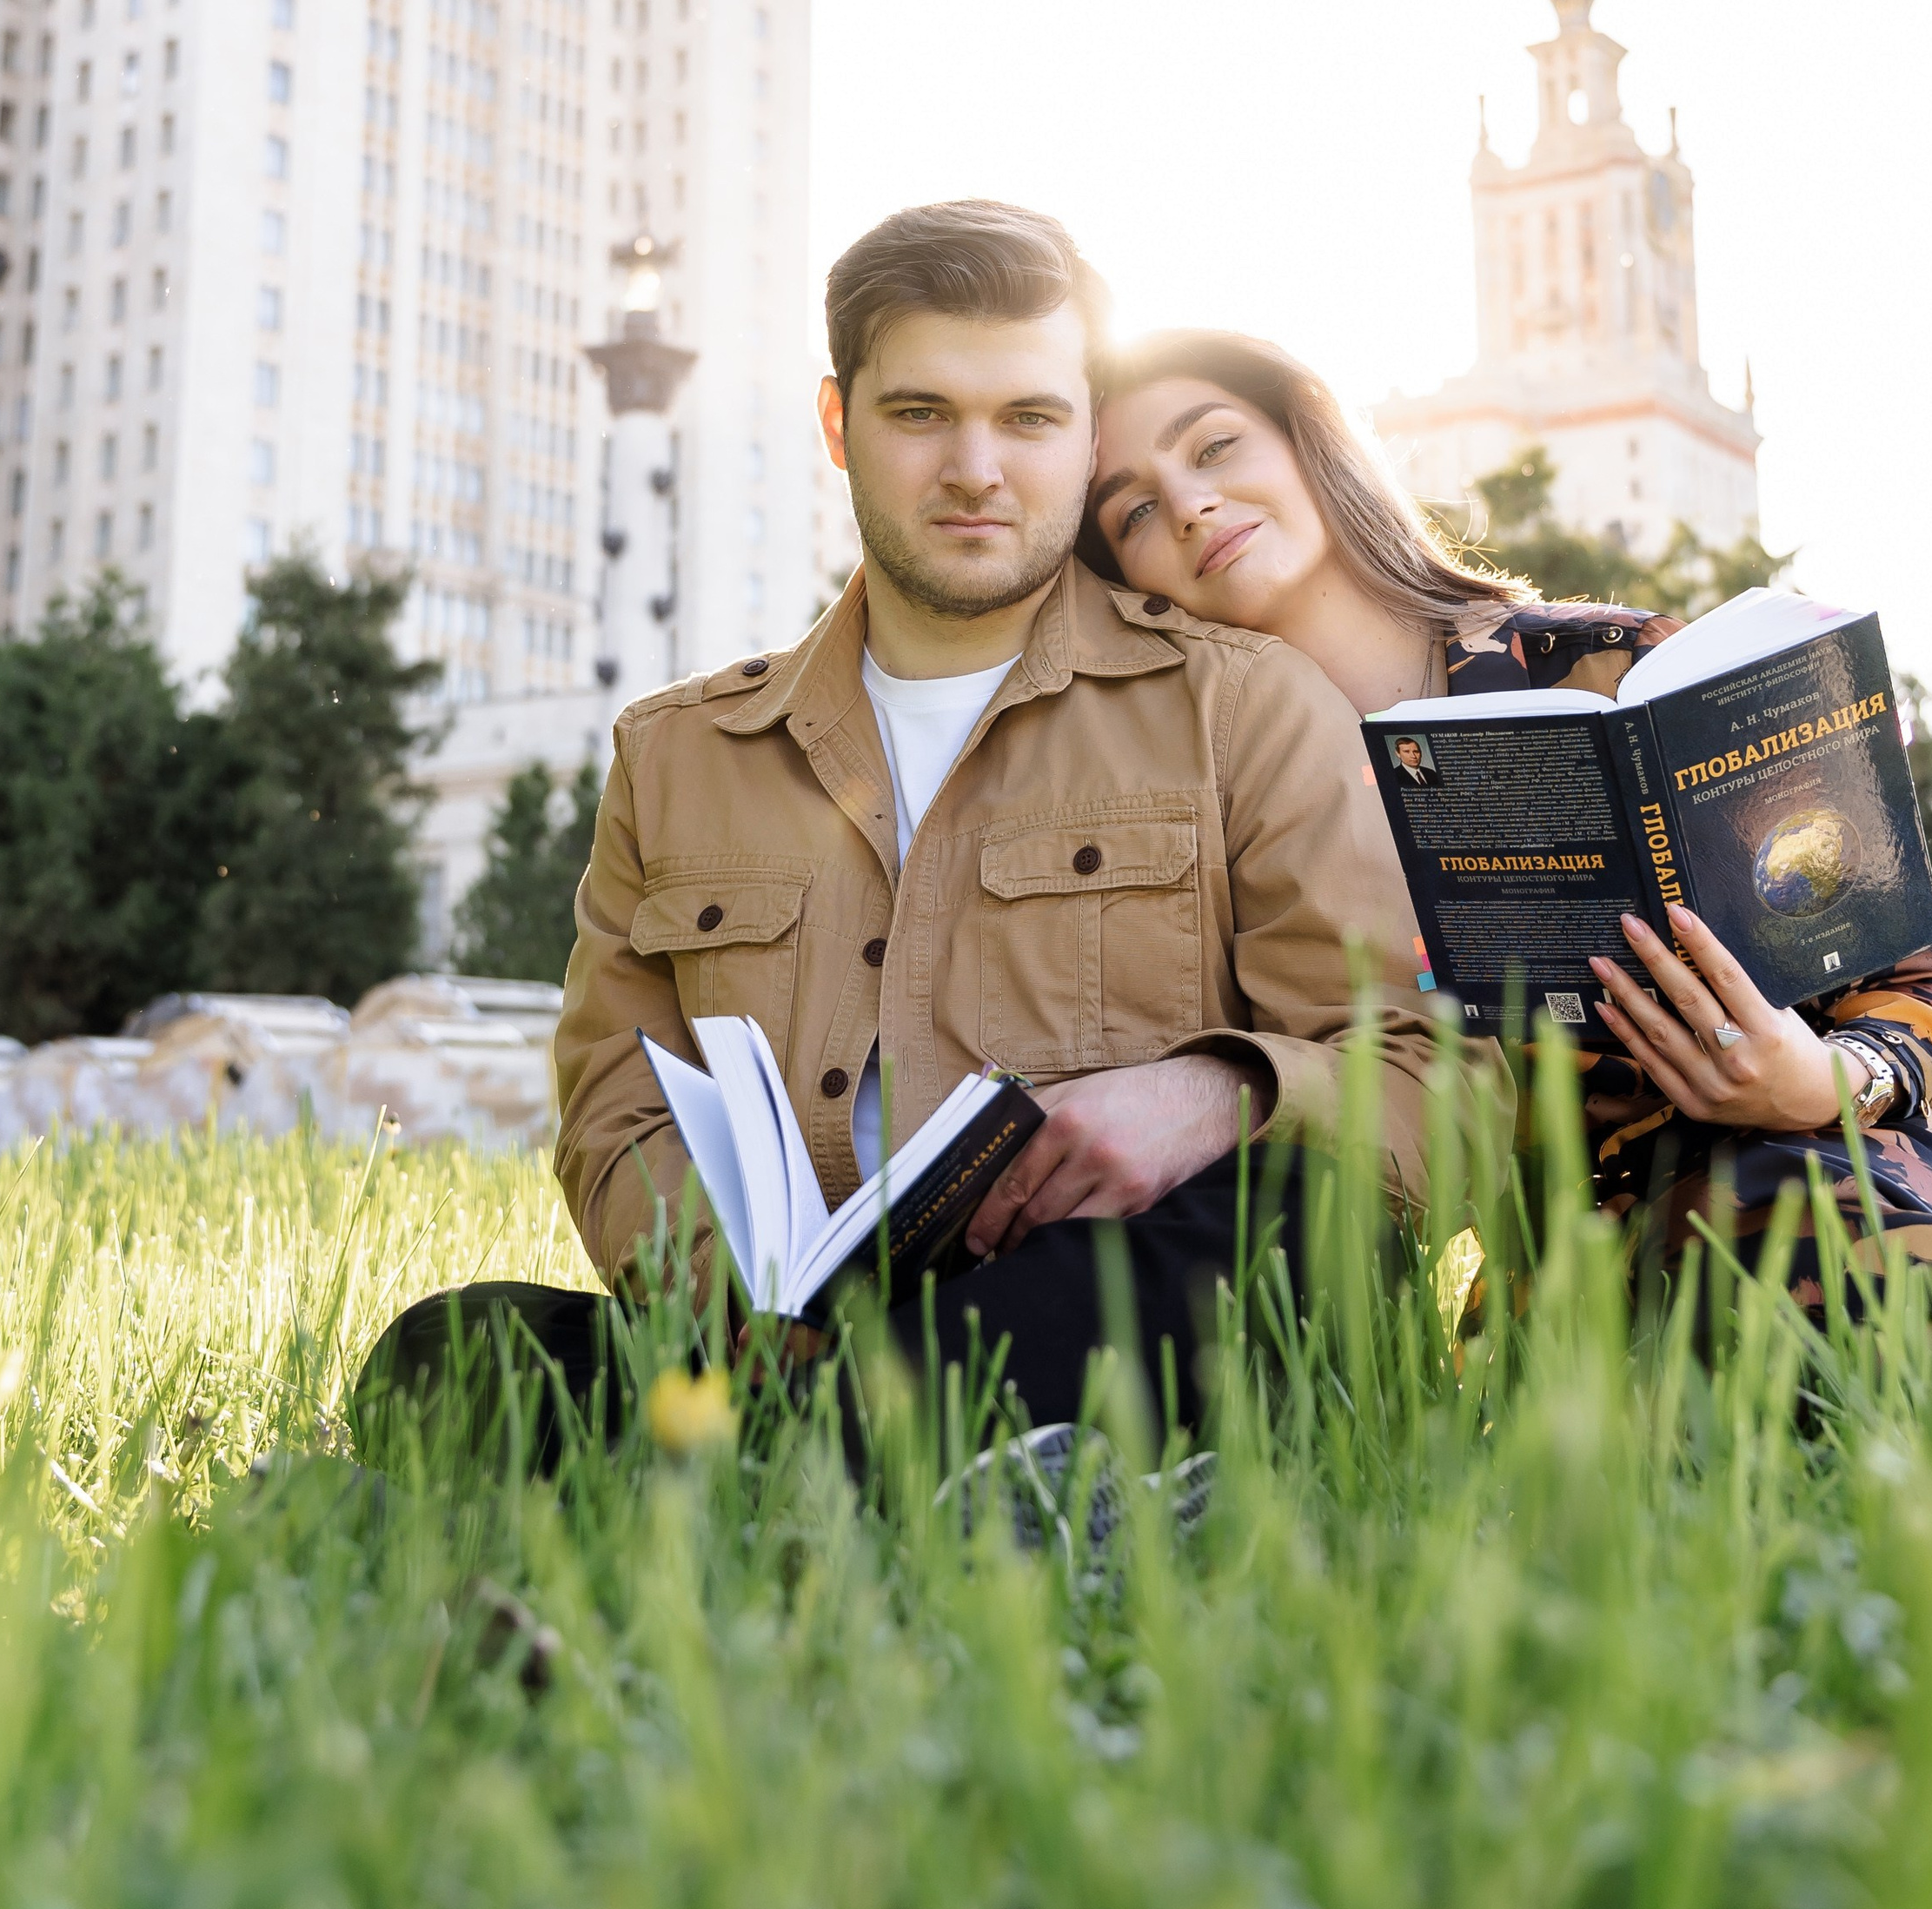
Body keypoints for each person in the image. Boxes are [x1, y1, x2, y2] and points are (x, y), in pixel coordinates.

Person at [361, 202, 1462, 1461]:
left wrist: (1213, 1093)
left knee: (1285, 1236)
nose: (976, 470)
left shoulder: (1245, 705)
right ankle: (881, 1454)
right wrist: (725, 1295)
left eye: (1030, 419)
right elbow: (617, 1115)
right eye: (921, 413)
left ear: (1087, 432)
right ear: (840, 425)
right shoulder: (675, 758)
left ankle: (767, 1466)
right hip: (808, 1335)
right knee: (453, 1353)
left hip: (1120, 1301)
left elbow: (1431, 1080)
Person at [1085, 327, 1932, 1316]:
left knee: (1820, 1234)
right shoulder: (1209, 802)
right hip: (1587, 1270)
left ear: (1305, 442)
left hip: (1861, 1155)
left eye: (1215, 447)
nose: (1189, 505)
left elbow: (1925, 981)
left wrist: (1825, 1080)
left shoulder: (1612, 669)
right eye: (1136, 510)